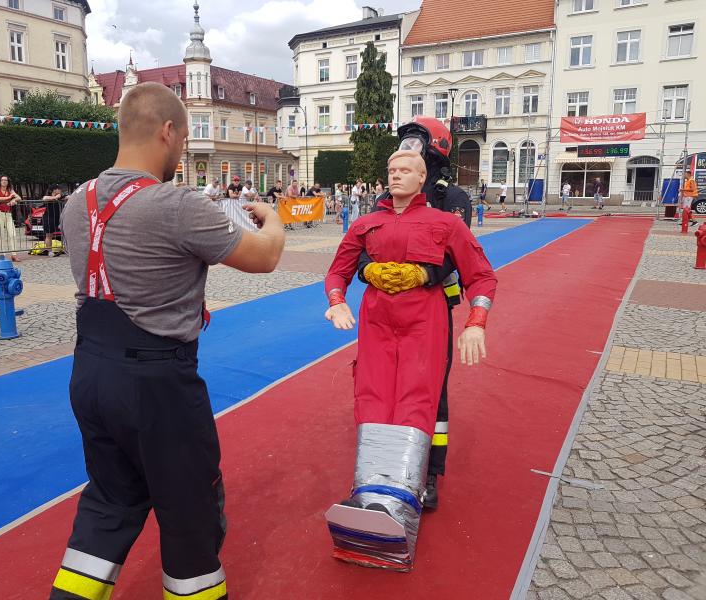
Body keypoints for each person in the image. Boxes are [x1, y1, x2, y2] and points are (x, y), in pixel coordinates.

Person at [49, 82, 284, 600]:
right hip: (156, 384)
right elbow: (264, 258)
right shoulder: (175, 204)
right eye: (181, 139)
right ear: (168, 132)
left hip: (89, 372)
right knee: (189, 514)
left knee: (109, 502)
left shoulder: (74, 203)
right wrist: (276, 221)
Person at [324, 150, 496, 566]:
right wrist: (336, 301)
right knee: (373, 397)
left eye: (406, 170)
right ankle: (367, 492)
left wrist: (476, 321)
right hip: (377, 323)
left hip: (425, 322)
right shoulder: (367, 224)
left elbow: (482, 274)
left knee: (416, 401)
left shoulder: (445, 223)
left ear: (423, 179)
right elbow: (337, 271)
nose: (396, 175)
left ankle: (402, 499)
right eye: (392, 170)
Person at [357, 115, 473, 510]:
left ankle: (430, 473)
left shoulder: (454, 200)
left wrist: (421, 274)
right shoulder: (383, 202)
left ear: (434, 151)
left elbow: (455, 256)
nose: (406, 149)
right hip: (386, 311)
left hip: (434, 304)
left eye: (414, 143)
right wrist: (367, 271)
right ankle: (386, 468)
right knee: (382, 386)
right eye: (404, 143)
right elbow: (363, 247)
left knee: (432, 393)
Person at [0, 174, 22, 262]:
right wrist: (9, 197)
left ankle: (14, 254)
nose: (4, 181)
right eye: (2, 180)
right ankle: (2, 255)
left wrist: (14, 200)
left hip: (8, 214)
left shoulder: (10, 190)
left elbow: (19, 198)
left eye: (6, 180)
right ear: (0, 181)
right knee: (2, 235)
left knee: (12, 234)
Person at [41, 184, 67, 257]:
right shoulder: (48, 196)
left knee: (65, 234)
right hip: (49, 217)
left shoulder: (62, 196)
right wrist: (55, 197)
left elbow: (69, 197)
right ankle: (49, 251)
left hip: (60, 217)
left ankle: (65, 248)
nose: (60, 190)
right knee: (49, 235)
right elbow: (44, 198)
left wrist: (62, 197)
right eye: (58, 189)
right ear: (53, 190)